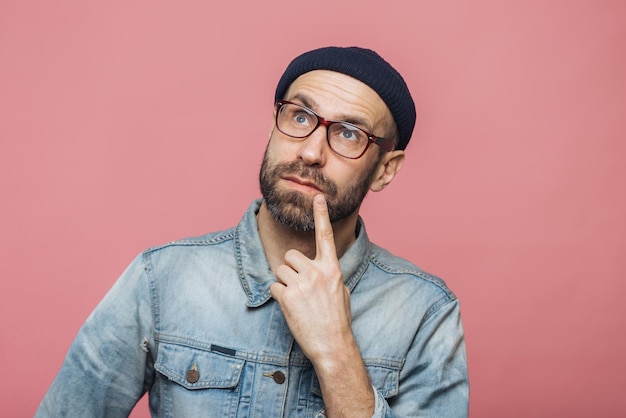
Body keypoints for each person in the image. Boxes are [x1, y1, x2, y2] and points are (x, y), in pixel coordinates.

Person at [36, 46, 469, 417]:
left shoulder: (425, 313)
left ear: (384, 170)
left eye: (349, 134)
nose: (311, 151)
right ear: (273, 126)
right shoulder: (160, 279)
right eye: (300, 117)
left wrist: (337, 352)